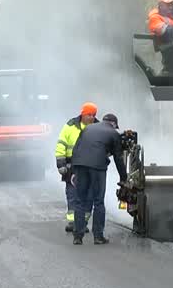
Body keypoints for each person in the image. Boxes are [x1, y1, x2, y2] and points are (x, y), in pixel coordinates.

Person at [69, 112, 126, 245]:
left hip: (80, 165)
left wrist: (73, 171)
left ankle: (77, 236)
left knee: (79, 201)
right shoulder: (113, 133)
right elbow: (118, 158)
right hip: (97, 167)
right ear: (113, 124)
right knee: (98, 201)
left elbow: (76, 149)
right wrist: (124, 178)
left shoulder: (88, 128)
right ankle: (98, 236)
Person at [54, 103, 96, 232]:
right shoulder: (70, 126)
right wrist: (60, 164)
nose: (92, 117)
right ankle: (73, 222)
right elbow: (61, 144)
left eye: (94, 115)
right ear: (83, 114)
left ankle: (83, 221)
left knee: (89, 195)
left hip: (90, 165)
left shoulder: (96, 127)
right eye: (89, 115)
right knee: (72, 193)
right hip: (71, 165)